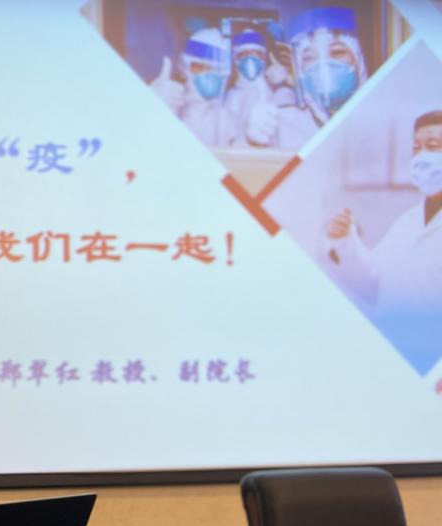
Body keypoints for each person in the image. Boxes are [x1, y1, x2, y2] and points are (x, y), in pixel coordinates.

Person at [323, 110, 442, 373]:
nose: (421, 156)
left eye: (433, 146)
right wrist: (345, 241)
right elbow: (373, 282)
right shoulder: (407, 221)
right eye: (416, 148)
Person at [245, 7, 367, 149]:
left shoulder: (380, 119)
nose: (324, 66)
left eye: (337, 52)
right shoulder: (284, 122)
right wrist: (251, 143)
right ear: (300, 70)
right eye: (310, 57)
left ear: (358, 61)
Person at [151, 27, 240, 146]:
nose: (209, 74)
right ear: (185, 67)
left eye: (216, 70)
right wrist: (153, 110)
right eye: (200, 67)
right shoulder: (172, 104)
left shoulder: (224, 119)